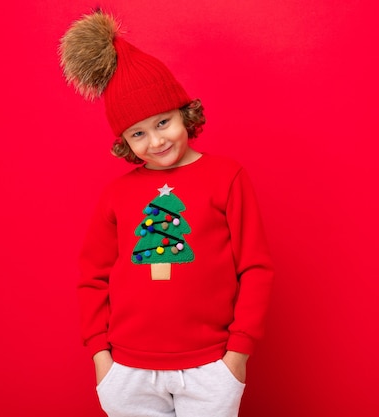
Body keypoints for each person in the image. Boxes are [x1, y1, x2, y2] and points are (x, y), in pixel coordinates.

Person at [59, 10, 274, 417]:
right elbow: (93, 278)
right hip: (128, 369)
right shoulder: (116, 194)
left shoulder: (228, 177)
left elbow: (256, 268)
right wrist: (101, 360)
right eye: (138, 133)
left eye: (164, 122)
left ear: (183, 113)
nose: (156, 140)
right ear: (123, 140)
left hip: (210, 367)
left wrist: (237, 356)